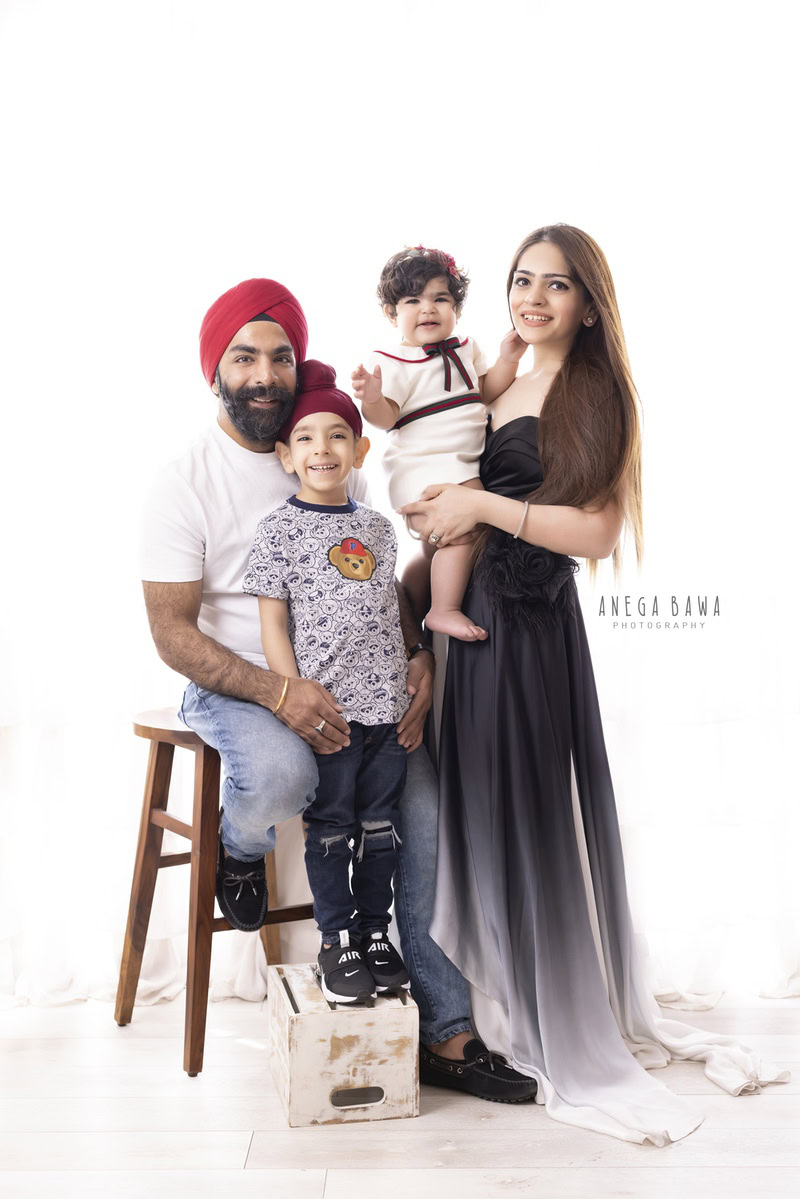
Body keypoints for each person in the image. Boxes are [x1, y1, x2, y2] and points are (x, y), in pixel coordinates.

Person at [401, 225, 790, 1144]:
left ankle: (542, 1007)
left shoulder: (595, 390)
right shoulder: (495, 377)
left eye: (557, 285)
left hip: (525, 626)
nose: (534, 298)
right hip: (467, 614)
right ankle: (488, 1004)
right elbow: (438, 464)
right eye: (523, 280)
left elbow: (598, 532)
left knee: (525, 806)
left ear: (588, 301)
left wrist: (478, 506)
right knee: (476, 804)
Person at [138, 276, 538, 1102]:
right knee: (288, 774)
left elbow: (369, 576)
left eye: (279, 356)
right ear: (215, 368)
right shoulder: (184, 480)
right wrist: (279, 694)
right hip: (234, 686)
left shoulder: (327, 454)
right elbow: (173, 632)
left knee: (420, 801)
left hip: (360, 688)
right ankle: (240, 850)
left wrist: (413, 658)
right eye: (243, 357)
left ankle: (445, 1029)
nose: (264, 374)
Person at [243, 362, 411, 1004]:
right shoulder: (278, 532)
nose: (322, 449)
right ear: (286, 455)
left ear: (359, 449)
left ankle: (374, 933)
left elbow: (389, 609)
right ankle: (336, 939)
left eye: (338, 435)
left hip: (387, 715)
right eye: (307, 437)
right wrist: (294, 704)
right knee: (333, 830)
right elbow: (273, 627)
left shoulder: (377, 528)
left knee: (380, 830)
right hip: (330, 719)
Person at [351, 246, 520, 642]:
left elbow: (487, 390)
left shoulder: (465, 349)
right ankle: (443, 610)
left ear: (456, 310)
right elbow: (386, 418)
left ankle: (408, 601)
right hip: (423, 469)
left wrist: (508, 360)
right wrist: (372, 397)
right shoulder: (391, 361)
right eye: (413, 300)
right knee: (469, 530)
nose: (427, 308)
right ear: (393, 314)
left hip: (462, 465)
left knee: (437, 550)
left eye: (439, 298)